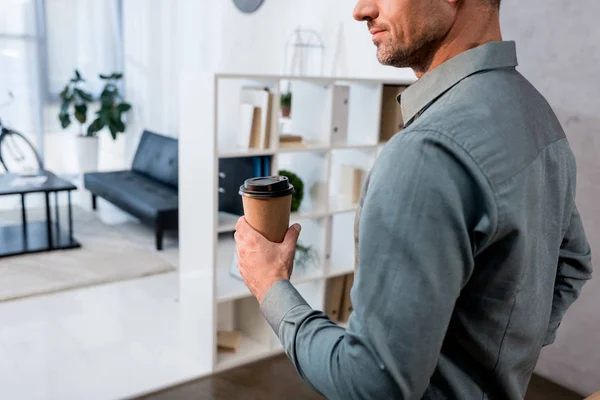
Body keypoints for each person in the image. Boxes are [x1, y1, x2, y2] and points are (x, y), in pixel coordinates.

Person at [233, 0, 593, 398]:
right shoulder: (534, 110)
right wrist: (498, 357)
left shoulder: (426, 153)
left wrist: (270, 286)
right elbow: (573, 263)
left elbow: (371, 384)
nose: (360, 10)